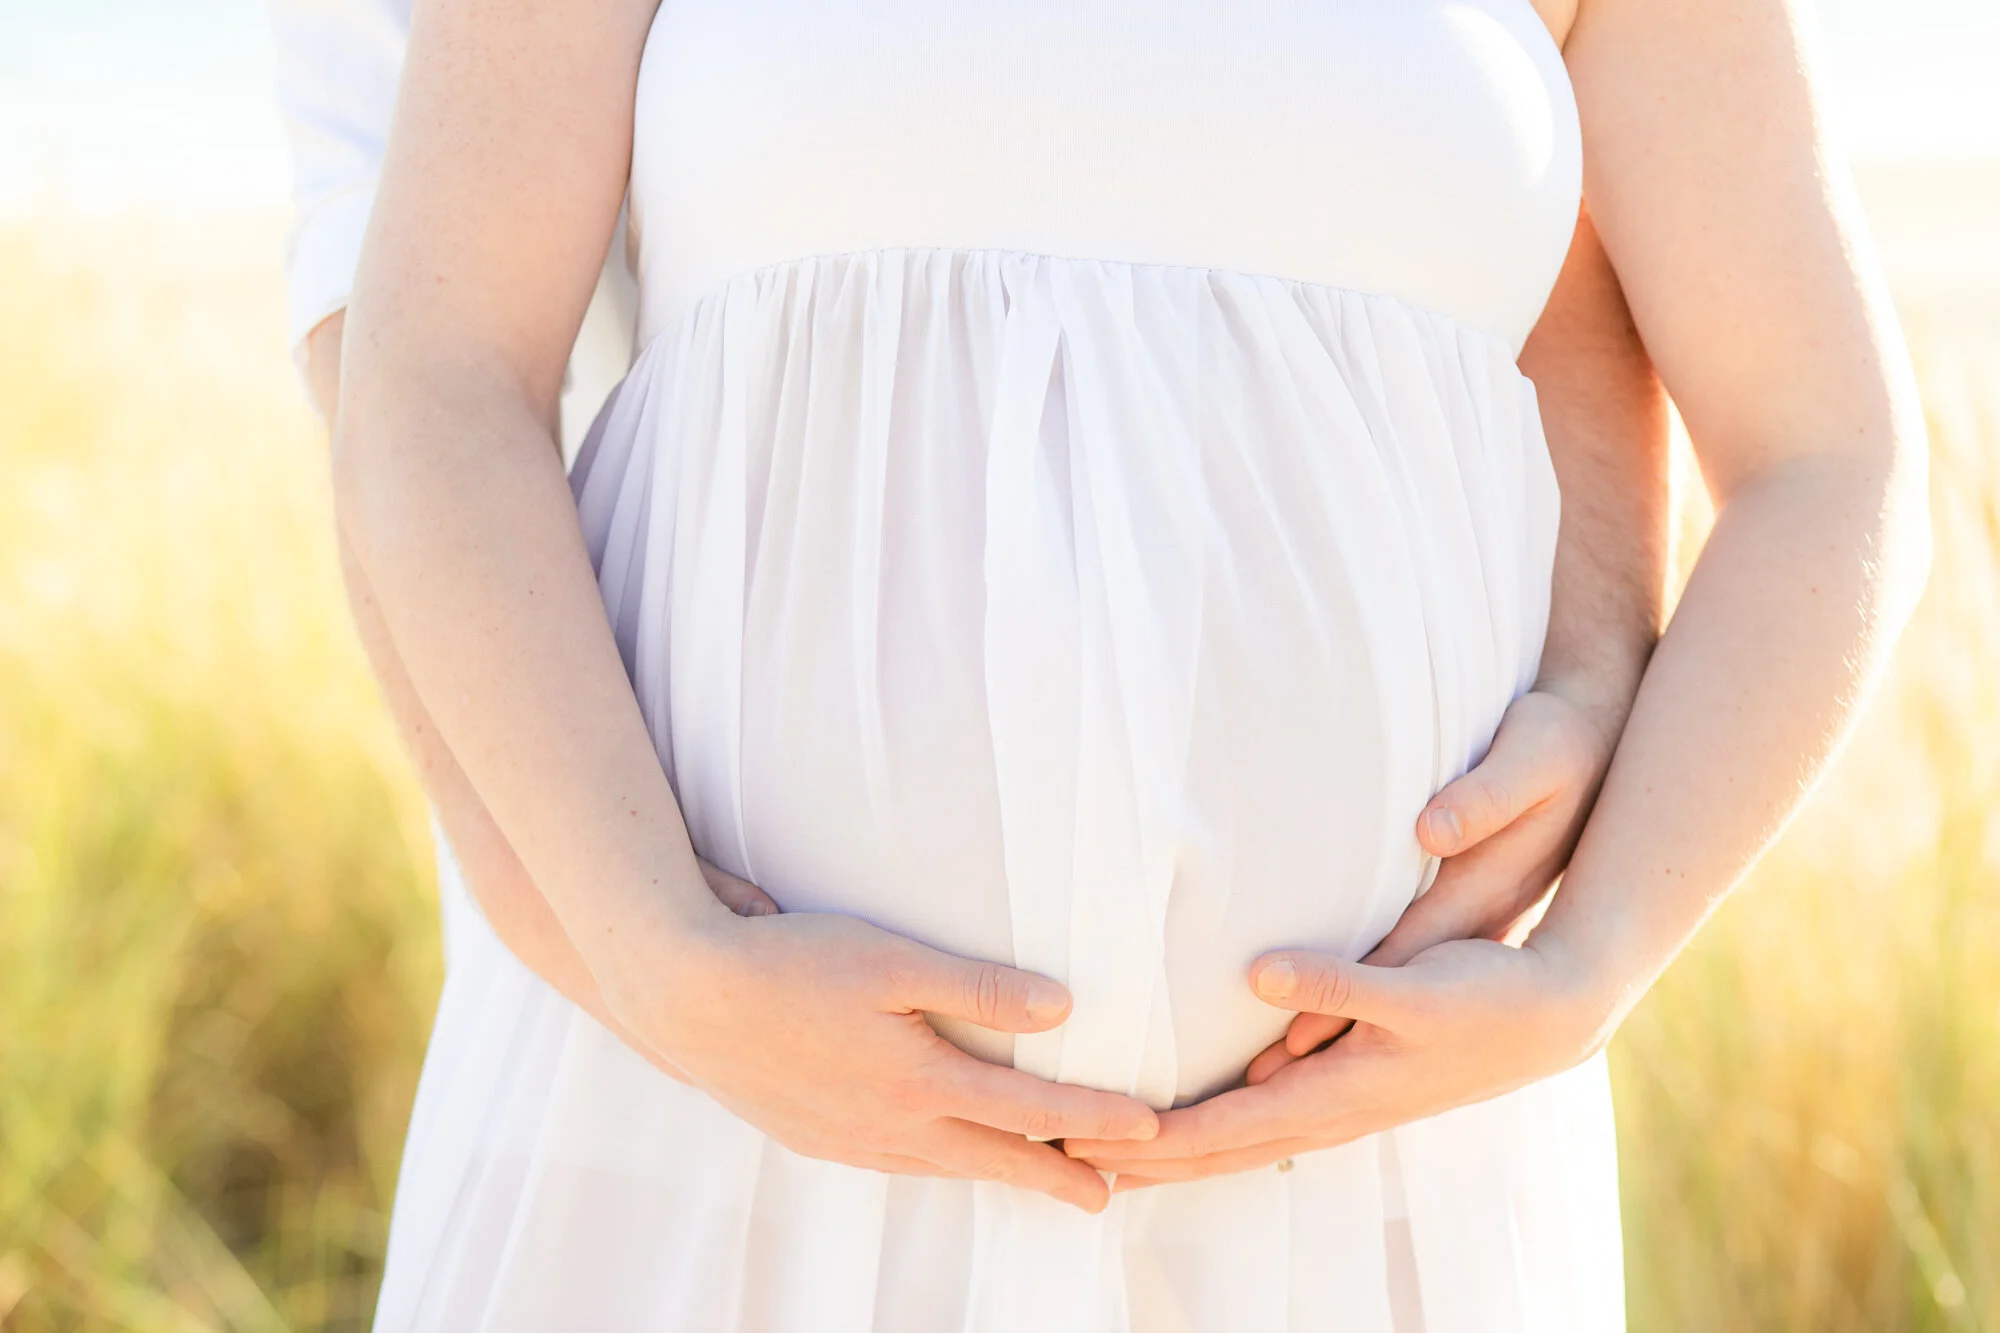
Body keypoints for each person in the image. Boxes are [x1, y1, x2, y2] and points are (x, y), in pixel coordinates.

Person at [295, 0, 1926, 1327]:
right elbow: (433, 373)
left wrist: (1592, 966)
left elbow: (1825, 454)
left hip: (1362, 1186)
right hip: (719, 1131)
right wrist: (651, 945)